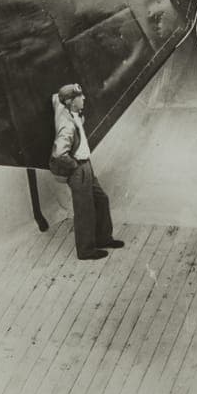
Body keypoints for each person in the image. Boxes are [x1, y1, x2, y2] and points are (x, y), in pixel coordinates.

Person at [49, 83, 124, 261]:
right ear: (70, 102)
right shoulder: (66, 126)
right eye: (79, 97)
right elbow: (59, 153)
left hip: (86, 166)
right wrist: (74, 166)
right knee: (85, 210)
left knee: (101, 199)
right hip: (79, 169)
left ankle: (103, 238)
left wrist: (63, 94)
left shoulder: (65, 108)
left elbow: (55, 98)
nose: (84, 99)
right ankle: (86, 250)